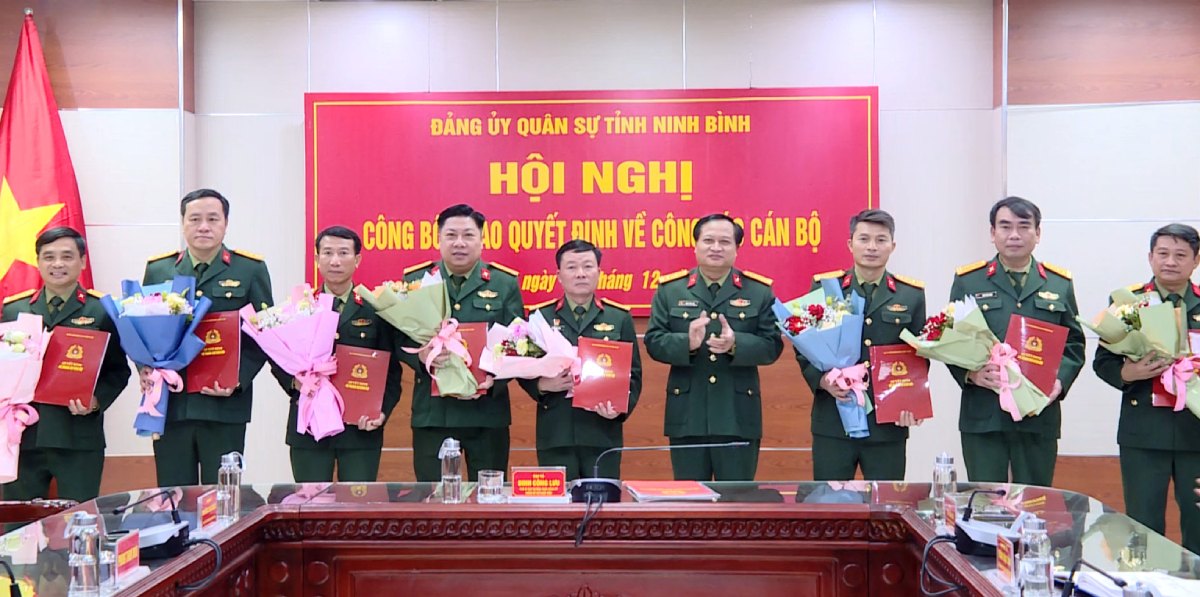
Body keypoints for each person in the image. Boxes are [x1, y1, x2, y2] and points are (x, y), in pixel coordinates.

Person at [947, 196, 1085, 486]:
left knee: (1035, 500)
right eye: (1005, 226)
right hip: (985, 412)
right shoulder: (969, 281)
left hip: (1038, 413)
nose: (1014, 235)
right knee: (984, 501)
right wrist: (970, 375)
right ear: (992, 233)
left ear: (1038, 233)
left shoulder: (1058, 283)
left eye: (1024, 227)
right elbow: (951, 341)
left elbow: (1074, 344)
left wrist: (1059, 382)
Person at [142, 189, 273, 485]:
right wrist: (145, 368)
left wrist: (237, 379)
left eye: (212, 219)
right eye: (195, 219)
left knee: (224, 493)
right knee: (174, 494)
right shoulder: (159, 269)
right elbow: (142, 329)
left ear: (225, 223)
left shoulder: (250, 269)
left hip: (224, 406)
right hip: (172, 405)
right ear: (183, 223)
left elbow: (264, 334)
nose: (204, 226)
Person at [644, 214, 783, 481]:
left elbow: (772, 345)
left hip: (738, 414)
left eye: (724, 241)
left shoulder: (759, 291)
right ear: (695, 245)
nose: (716, 247)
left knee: (738, 503)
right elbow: (653, 341)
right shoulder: (670, 290)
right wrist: (688, 343)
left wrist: (736, 344)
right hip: (688, 414)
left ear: (736, 248)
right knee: (690, 505)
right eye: (708, 240)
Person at [1, 227, 130, 501]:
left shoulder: (102, 310)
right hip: (24, 437)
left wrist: (96, 401)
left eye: (67, 256)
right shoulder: (14, 310)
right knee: (18, 526)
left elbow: (119, 370)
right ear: (38, 261)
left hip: (77, 436)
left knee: (79, 521)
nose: (57, 264)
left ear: (82, 261)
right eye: (48, 257)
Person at [798, 209, 926, 480]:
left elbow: (919, 356)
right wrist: (822, 381)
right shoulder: (826, 287)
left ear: (893, 246)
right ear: (850, 244)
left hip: (887, 423)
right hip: (833, 420)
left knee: (886, 507)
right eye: (864, 239)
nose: (871, 247)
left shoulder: (910, 294)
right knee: (830, 508)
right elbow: (804, 348)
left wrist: (911, 403)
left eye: (881, 240)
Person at [1096, 224, 1200, 554]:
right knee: (1143, 531)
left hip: (1196, 435)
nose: (1170, 261)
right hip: (1144, 436)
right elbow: (1103, 362)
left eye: (1181, 255)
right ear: (1150, 257)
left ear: (1196, 261)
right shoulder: (1126, 303)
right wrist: (1132, 371)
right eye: (1163, 253)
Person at [400, 204, 522, 482]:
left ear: (481, 240)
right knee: (433, 502)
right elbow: (398, 338)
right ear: (438, 240)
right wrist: (420, 357)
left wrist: (497, 376)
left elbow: (518, 341)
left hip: (486, 412)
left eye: (468, 235)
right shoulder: (416, 281)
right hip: (434, 415)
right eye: (451, 235)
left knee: (490, 501)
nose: (459, 243)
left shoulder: (504, 284)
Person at [272, 226, 403, 482]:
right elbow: (278, 357)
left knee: (356, 509)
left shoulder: (375, 309)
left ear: (357, 260)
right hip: (309, 425)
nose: (335, 261)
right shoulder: (299, 307)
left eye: (343, 253)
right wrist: (293, 381)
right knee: (309, 508)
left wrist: (382, 412)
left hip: (359, 428)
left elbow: (392, 371)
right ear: (317, 258)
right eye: (327, 253)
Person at [520, 239, 642, 480]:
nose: (580, 274)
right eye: (572, 267)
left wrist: (618, 411)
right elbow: (523, 368)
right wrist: (542, 385)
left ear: (599, 272)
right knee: (558, 511)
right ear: (559, 275)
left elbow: (634, 376)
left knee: (602, 506)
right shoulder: (540, 317)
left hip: (602, 432)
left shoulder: (619, 318)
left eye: (588, 266)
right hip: (556, 432)